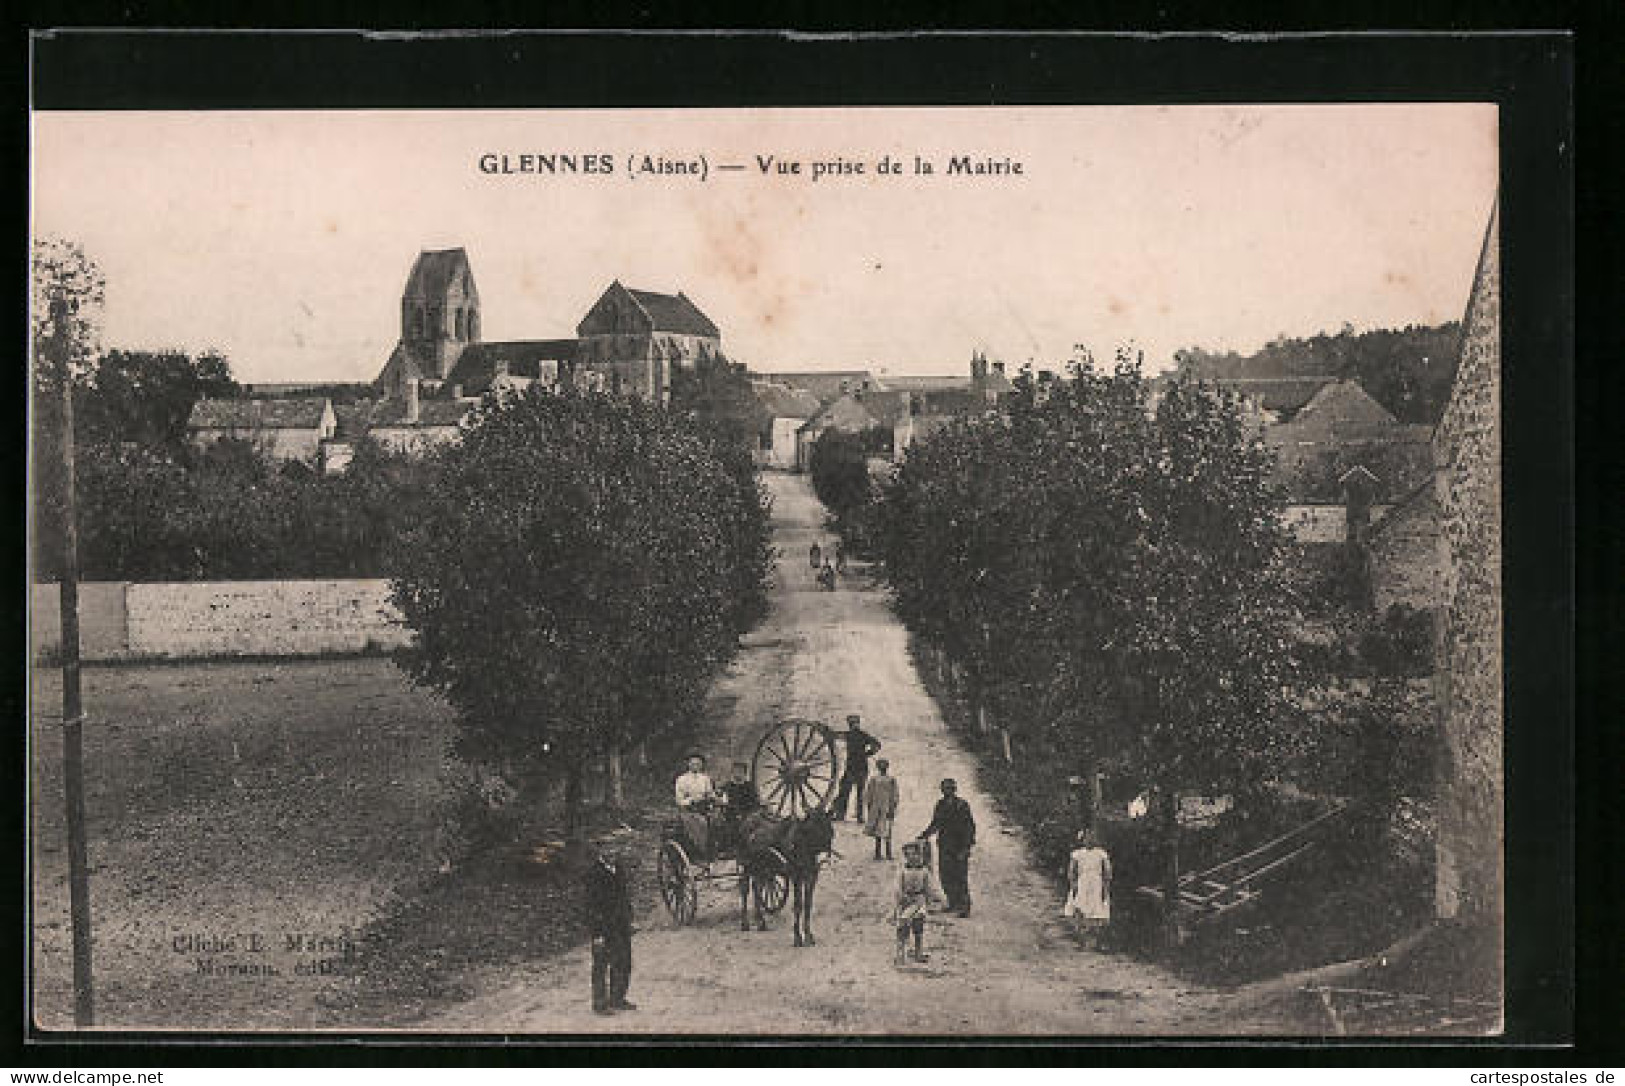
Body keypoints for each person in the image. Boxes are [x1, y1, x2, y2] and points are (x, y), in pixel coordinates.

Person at [585, 845, 635, 1014]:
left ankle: (617, 998)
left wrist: (629, 919)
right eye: (609, 851)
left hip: (621, 924)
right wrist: (597, 933)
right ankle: (599, 1004)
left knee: (623, 961)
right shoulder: (593, 874)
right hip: (604, 926)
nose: (613, 854)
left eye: (615, 851)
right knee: (601, 964)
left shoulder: (618, 869)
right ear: (601, 853)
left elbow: (624, 896)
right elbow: (590, 907)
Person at [918, 778, 976, 917]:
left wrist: (966, 847)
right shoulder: (940, 804)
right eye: (944, 789)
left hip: (959, 845)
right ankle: (952, 902)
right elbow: (935, 823)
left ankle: (964, 907)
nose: (946, 791)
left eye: (949, 788)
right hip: (944, 845)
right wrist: (925, 835)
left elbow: (970, 827)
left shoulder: (962, 805)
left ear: (954, 790)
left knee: (960, 876)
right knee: (946, 875)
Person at [891, 840, 945, 965]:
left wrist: (939, 899)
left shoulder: (924, 872)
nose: (913, 858)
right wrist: (901, 896)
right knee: (902, 926)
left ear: (920, 856)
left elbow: (930, 888)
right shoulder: (902, 871)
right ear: (905, 857)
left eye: (915, 855)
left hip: (919, 901)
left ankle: (918, 952)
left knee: (918, 926)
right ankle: (900, 954)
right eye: (909, 855)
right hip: (905, 902)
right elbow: (897, 887)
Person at [1063, 829, 1113, 947]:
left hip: (1097, 883)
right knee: (1080, 908)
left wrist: (1106, 886)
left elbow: (1108, 871)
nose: (1089, 840)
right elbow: (1071, 871)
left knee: (1099, 910)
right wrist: (1073, 884)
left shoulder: (1101, 853)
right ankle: (1081, 940)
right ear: (1083, 840)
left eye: (1092, 838)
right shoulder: (1077, 854)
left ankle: (1099, 942)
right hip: (1082, 883)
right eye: (1087, 838)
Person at [831, 714, 882, 820]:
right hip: (862, 767)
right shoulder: (863, 735)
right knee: (859, 792)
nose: (853, 726)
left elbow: (836, 735)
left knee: (845, 790)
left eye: (853, 724)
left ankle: (841, 815)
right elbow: (877, 744)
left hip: (852, 767)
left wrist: (869, 753)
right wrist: (868, 753)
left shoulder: (849, 735)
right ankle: (859, 816)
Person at [674, 754, 717, 859]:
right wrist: (691, 800)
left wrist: (714, 798)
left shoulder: (705, 779)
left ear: (701, 765)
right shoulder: (682, 780)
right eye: (693, 763)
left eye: (698, 764)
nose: (695, 766)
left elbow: (710, 794)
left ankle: (715, 850)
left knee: (718, 820)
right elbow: (679, 800)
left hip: (704, 809)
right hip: (688, 811)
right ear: (688, 764)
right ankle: (700, 851)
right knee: (701, 823)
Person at [717, 760, 760, 853]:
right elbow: (723, 801)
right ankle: (730, 849)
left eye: (740, 772)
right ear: (732, 772)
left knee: (750, 823)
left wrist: (748, 812)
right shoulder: (728, 786)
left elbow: (755, 801)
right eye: (736, 771)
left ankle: (748, 848)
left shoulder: (749, 786)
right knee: (729, 825)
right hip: (730, 812)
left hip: (747, 812)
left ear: (745, 773)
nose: (738, 774)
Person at [864, 758, 900, 860]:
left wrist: (893, 807)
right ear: (878, 767)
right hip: (876, 808)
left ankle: (888, 853)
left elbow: (895, 794)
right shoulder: (874, 779)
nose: (882, 768)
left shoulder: (891, 779)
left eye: (884, 766)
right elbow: (869, 794)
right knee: (877, 831)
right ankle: (878, 853)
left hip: (887, 808)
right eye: (880, 766)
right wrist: (870, 807)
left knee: (888, 831)